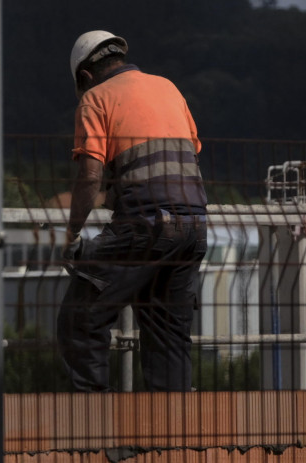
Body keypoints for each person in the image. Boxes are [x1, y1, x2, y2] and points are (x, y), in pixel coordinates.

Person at [57, 30, 208, 392]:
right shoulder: (168, 87)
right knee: (167, 334)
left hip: (145, 226)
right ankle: (171, 440)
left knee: (80, 319)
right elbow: (178, 157)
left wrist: (73, 234)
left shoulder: (95, 98)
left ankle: (94, 432)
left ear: (85, 76)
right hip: (194, 226)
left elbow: (90, 175)